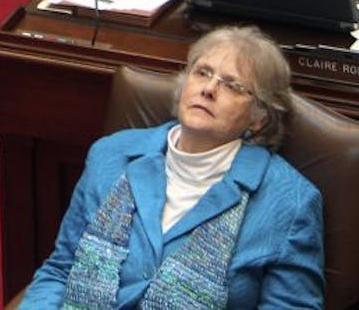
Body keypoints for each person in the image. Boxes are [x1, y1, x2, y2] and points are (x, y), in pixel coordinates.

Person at [20, 26, 324, 310]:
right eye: (202, 73)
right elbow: (61, 270)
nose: (208, 89)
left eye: (232, 86)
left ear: (259, 118)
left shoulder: (290, 202)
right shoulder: (111, 155)